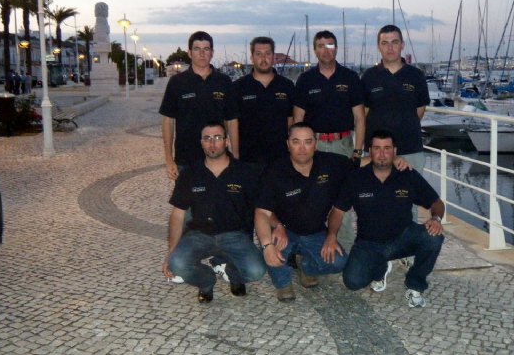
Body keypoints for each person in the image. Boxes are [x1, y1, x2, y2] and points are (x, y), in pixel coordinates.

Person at [325, 129, 445, 308]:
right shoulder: (356, 178)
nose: (382, 154)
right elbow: (338, 211)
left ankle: (415, 284)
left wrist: (435, 218)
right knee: (353, 282)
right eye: (377, 148)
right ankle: (381, 268)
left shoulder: (407, 175)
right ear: (370, 151)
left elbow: (436, 202)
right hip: (369, 242)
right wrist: (331, 236)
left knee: (433, 237)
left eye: (387, 148)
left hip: (403, 236)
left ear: (395, 151)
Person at [162, 122, 266, 304]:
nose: (212, 143)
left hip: (235, 235)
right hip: (199, 235)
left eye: (217, 137)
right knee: (176, 264)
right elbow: (178, 214)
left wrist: (272, 235)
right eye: (207, 138)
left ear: (226, 141)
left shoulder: (245, 172)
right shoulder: (190, 174)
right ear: (201, 143)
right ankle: (206, 281)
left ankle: (233, 274)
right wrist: (171, 251)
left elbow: (261, 209)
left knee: (256, 271)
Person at [255, 122, 350, 302]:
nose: (302, 148)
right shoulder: (274, 171)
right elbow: (262, 212)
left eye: (308, 142)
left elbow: (363, 164)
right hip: (284, 230)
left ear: (315, 143)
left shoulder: (332, 163)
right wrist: (267, 244)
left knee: (339, 262)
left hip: (315, 231)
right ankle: (283, 283)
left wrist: (394, 160)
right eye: (296, 142)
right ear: (288, 144)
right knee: (273, 247)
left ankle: (305, 266)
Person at [159, 31, 239, 181]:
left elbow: (232, 120)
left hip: (219, 159)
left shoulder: (224, 81)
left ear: (212, 53)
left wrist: (235, 156)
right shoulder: (177, 82)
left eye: (206, 49)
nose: (202, 54)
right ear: (189, 53)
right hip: (186, 160)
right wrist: (169, 159)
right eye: (197, 49)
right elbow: (168, 121)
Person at [361, 24, 429, 174]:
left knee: (411, 189)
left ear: (402, 45)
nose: (390, 48)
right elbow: (363, 113)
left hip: (410, 150)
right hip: (376, 151)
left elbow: (420, 110)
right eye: (385, 43)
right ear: (379, 46)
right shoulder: (369, 76)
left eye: (395, 42)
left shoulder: (416, 75)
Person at [293, 30, 365, 160]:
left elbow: (359, 118)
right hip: (314, 145)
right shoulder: (305, 79)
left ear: (336, 49)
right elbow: (298, 118)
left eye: (330, 46)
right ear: (315, 50)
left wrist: (358, 151)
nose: (326, 51)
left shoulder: (350, 77)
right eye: (321, 46)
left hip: (343, 146)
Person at [233, 36, 295, 170]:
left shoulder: (287, 85)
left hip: (281, 158)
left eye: (267, 54)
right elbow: (233, 123)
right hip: (248, 159)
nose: (263, 58)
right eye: (258, 54)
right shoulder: (238, 87)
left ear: (273, 57)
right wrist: (235, 154)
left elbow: (291, 121)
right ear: (252, 58)